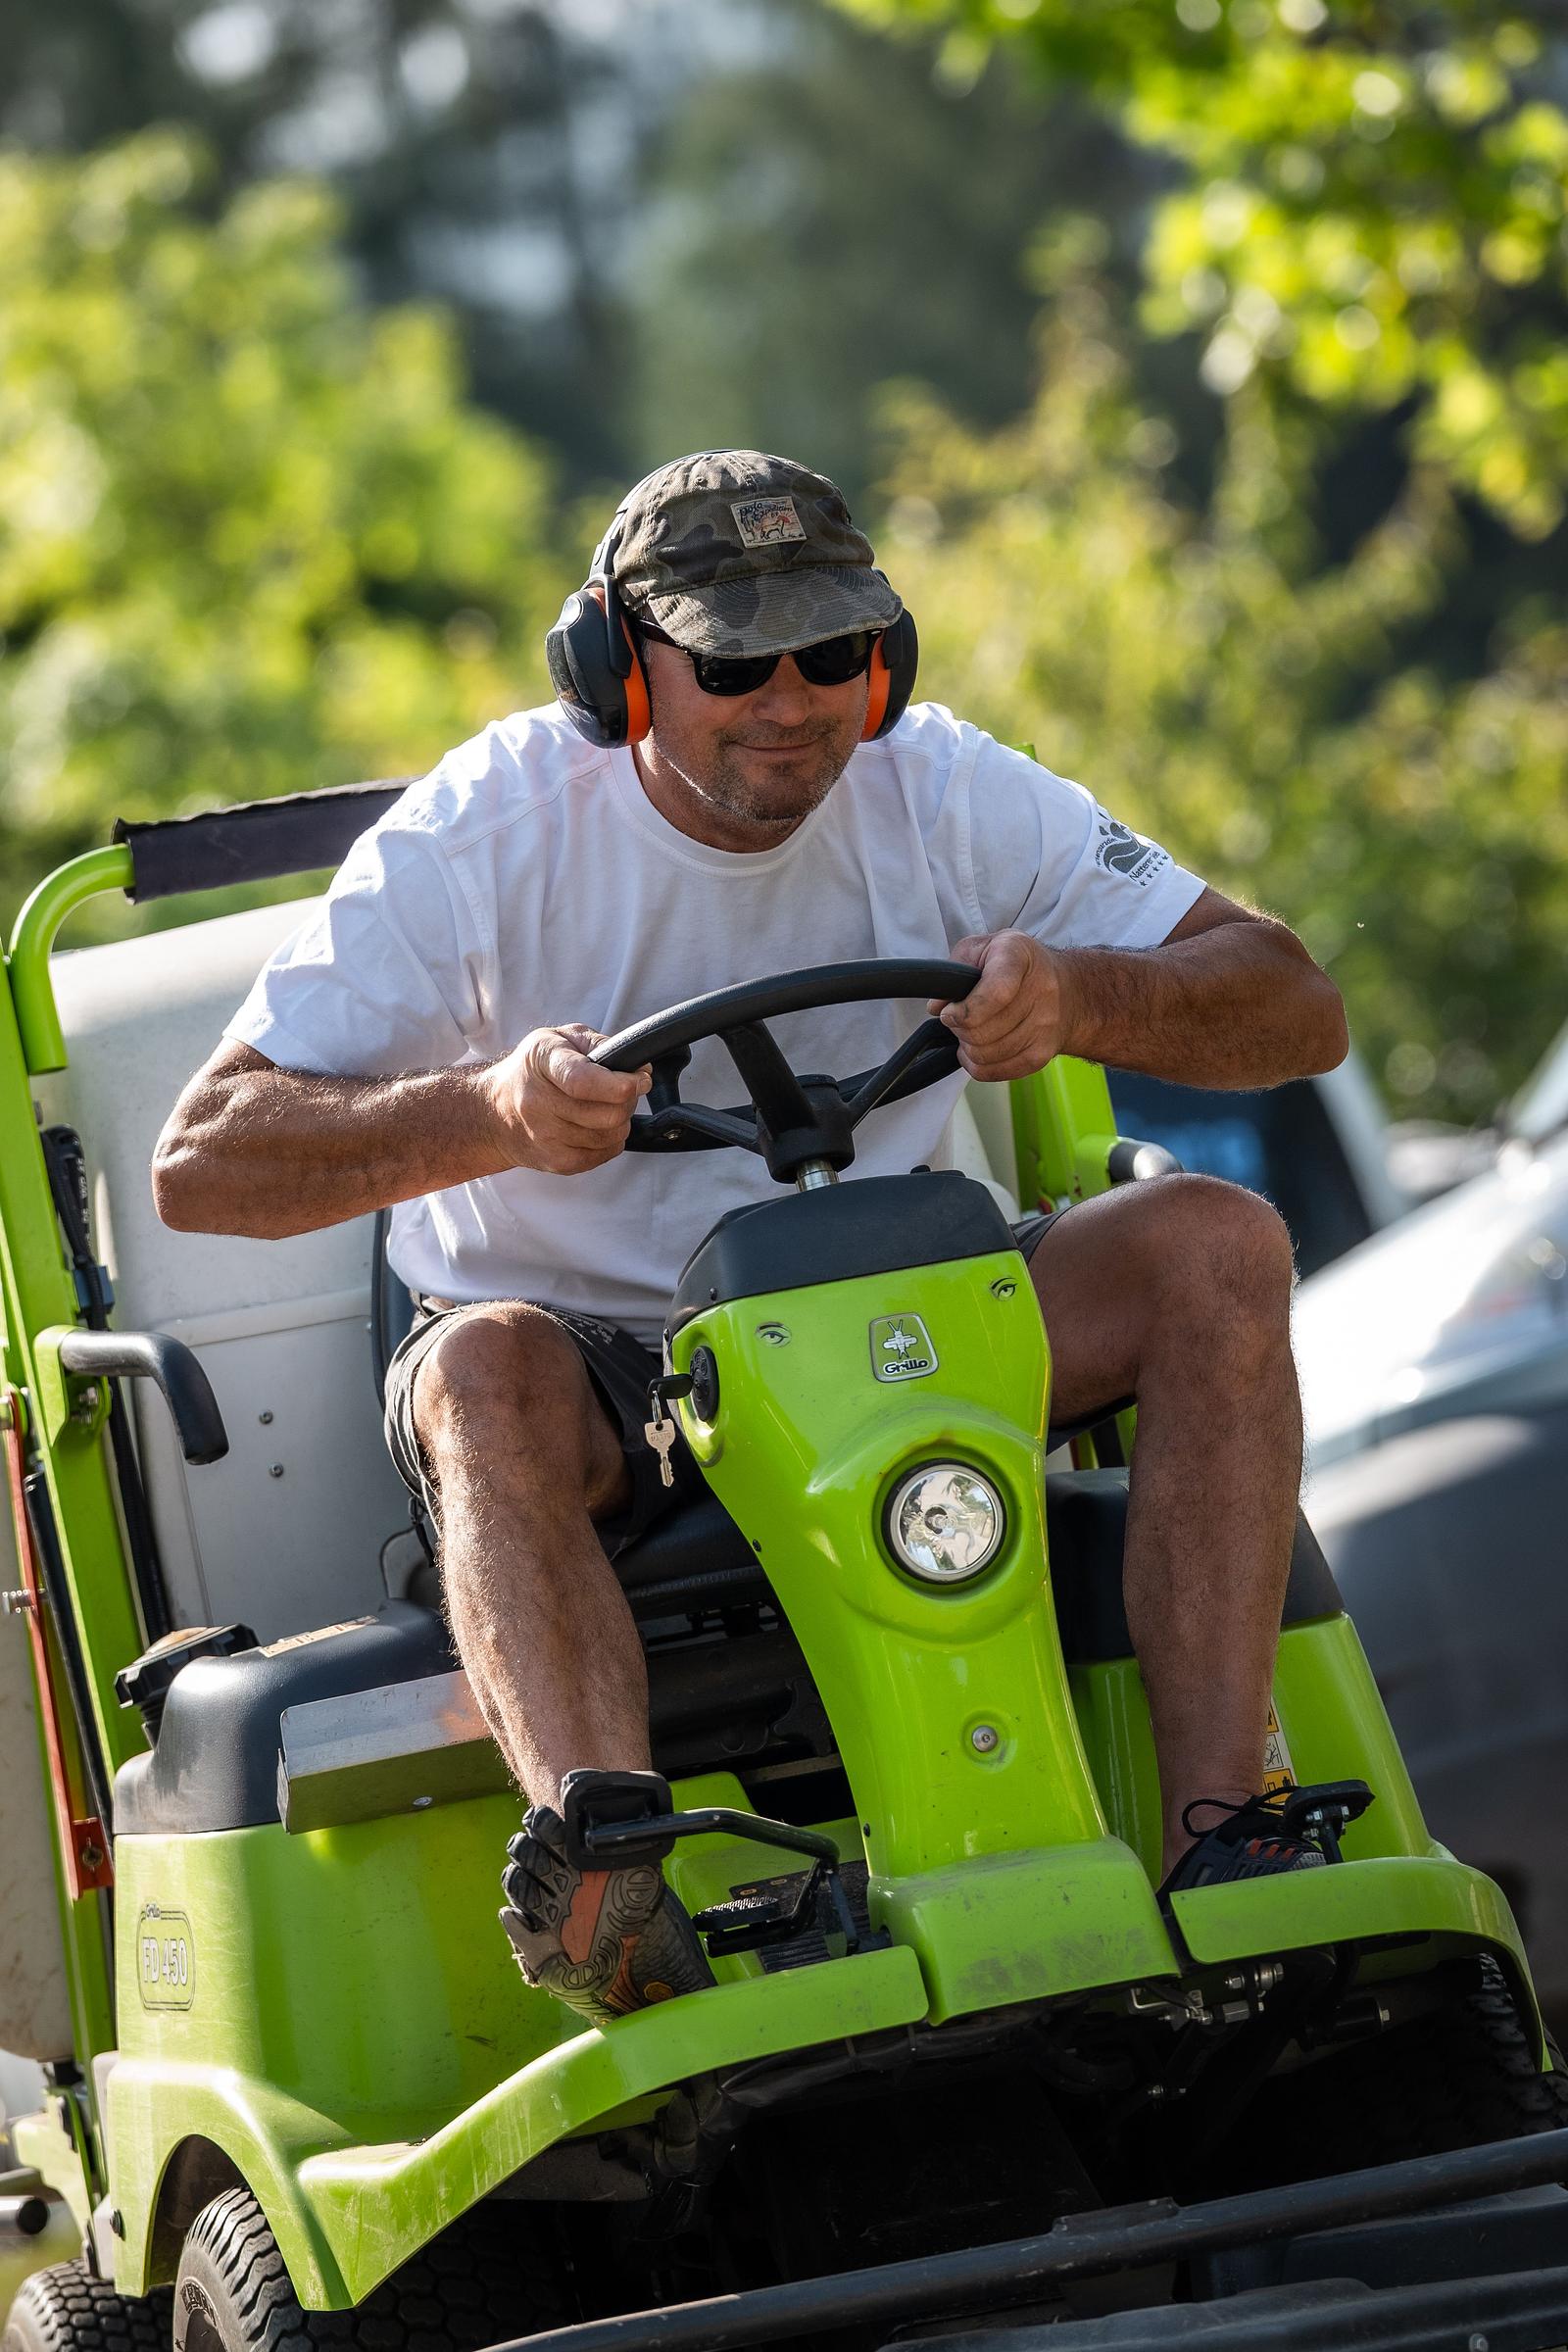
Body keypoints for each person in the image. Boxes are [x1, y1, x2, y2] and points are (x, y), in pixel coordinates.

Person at [153, 449, 1349, 2025]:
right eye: (732, 663)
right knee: (484, 1377)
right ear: (616, 670)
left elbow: (1295, 1006)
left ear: (884, 655)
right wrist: (492, 1112)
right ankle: (609, 1876)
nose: (792, 702)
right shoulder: (481, 829)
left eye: (831, 651)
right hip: (603, 1374)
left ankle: (1227, 1839)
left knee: (1216, 1243)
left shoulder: (949, 784)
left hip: (911, 1316)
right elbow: (202, 1163)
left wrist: (1082, 994)